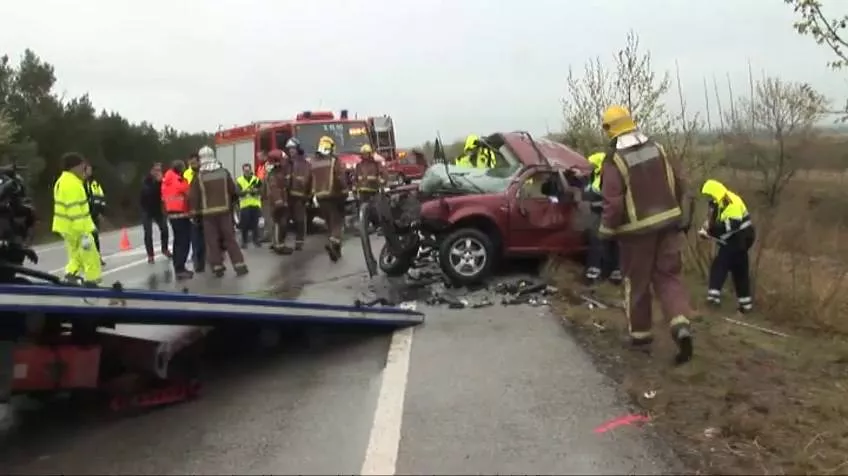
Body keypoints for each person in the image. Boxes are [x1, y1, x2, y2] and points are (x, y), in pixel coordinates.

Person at [597, 104, 695, 364]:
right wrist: (679, 216)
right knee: (669, 277)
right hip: (668, 225)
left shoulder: (614, 160)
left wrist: (605, 232)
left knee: (637, 284)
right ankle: (680, 323)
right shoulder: (657, 148)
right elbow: (679, 182)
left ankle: (640, 337)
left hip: (635, 234)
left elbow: (613, 203)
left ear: (609, 129)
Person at [188, 145, 248, 277]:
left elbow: (194, 197)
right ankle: (239, 265)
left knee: (212, 241)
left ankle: (217, 266)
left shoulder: (199, 177)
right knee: (230, 239)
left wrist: (194, 213)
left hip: (208, 215)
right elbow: (233, 190)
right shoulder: (224, 172)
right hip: (225, 212)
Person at [699, 179, 755, 313]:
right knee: (740, 270)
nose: (708, 199)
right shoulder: (719, 202)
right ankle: (746, 305)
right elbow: (715, 223)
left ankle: (713, 299)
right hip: (741, 240)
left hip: (739, 239)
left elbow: (732, 224)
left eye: (709, 195)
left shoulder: (729, 200)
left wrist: (711, 231)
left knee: (720, 265)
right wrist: (707, 230)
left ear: (715, 193)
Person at [53, 152, 102, 285]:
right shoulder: (71, 184)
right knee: (91, 255)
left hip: (67, 227)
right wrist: (84, 233)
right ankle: (92, 281)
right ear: (73, 167)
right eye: (82, 166)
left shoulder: (64, 181)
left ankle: (71, 274)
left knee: (76, 256)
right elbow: (74, 209)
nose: (83, 168)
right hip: (78, 228)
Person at [582, 151, 621, 285]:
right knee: (604, 243)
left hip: (604, 215)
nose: (590, 166)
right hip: (600, 215)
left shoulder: (605, 177)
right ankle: (607, 273)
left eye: (593, 164)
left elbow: (601, 195)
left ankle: (599, 273)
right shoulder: (596, 175)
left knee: (602, 243)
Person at [310, 135, 347, 261]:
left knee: (330, 223)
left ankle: (336, 251)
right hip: (334, 195)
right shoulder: (333, 161)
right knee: (337, 223)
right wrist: (345, 191)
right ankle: (333, 244)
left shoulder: (313, 162)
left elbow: (309, 179)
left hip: (320, 197)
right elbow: (340, 178)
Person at [162, 160, 194, 280]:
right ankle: (180, 268)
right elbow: (187, 192)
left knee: (178, 242)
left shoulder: (167, 180)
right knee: (183, 241)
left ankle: (179, 267)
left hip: (172, 214)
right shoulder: (178, 180)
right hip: (181, 213)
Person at [139, 162, 172, 264]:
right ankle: (150, 255)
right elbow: (148, 192)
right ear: (151, 171)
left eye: (160, 170)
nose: (158, 172)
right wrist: (158, 183)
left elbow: (166, 191)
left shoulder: (162, 181)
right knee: (148, 233)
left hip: (158, 209)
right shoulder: (146, 181)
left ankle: (165, 249)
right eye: (156, 170)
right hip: (146, 209)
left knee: (165, 229)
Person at [354, 143, 385, 229]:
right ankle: (365, 225)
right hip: (362, 191)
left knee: (375, 209)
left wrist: (382, 182)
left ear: (370, 153)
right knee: (363, 209)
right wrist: (354, 188)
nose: (365, 155)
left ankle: (377, 225)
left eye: (366, 153)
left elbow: (381, 174)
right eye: (363, 153)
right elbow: (355, 177)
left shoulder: (375, 164)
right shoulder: (359, 165)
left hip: (373, 190)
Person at [184, 152, 205, 272]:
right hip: (193, 209)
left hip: (204, 208)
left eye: (194, 162)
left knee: (205, 237)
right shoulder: (186, 174)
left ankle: (204, 259)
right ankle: (198, 262)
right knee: (196, 238)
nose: (192, 164)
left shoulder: (203, 172)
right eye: (190, 163)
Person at [83, 164, 107, 266]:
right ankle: (86, 258)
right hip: (84, 213)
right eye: (88, 170)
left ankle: (97, 256)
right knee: (85, 237)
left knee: (95, 236)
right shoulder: (80, 183)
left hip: (94, 212)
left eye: (90, 170)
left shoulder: (94, 183)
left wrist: (100, 209)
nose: (90, 172)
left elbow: (100, 196)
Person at [236, 163, 263, 248]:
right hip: (245, 205)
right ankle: (244, 241)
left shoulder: (256, 179)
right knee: (245, 224)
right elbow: (238, 193)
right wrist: (247, 191)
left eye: (248, 170)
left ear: (251, 170)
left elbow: (261, 190)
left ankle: (256, 240)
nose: (247, 172)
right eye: (245, 170)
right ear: (243, 171)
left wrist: (255, 191)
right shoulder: (239, 180)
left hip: (255, 204)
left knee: (255, 224)